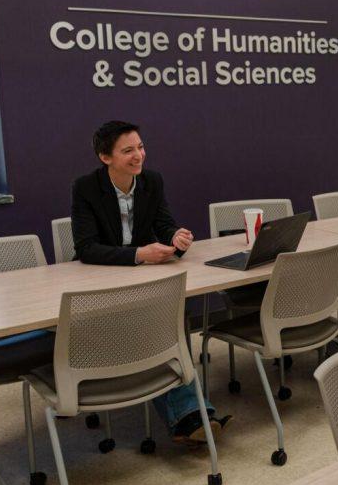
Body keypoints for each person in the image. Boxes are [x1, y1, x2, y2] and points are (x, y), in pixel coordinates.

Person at [71, 120, 229, 444]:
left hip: (147, 281)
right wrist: (139, 254)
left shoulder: (151, 181)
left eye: (140, 147)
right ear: (106, 157)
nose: (138, 156)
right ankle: (191, 414)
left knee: (163, 331)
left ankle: (191, 415)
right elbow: (86, 249)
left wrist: (176, 237)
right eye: (128, 150)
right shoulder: (86, 187)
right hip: (104, 285)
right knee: (158, 332)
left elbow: (164, 223)